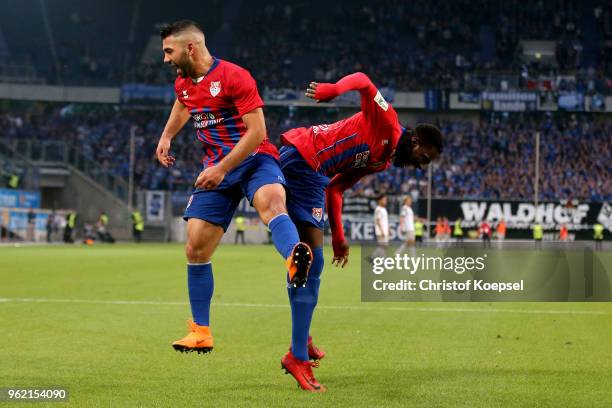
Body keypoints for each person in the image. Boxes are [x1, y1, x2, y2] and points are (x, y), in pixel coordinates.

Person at [155, 21, 312, 358]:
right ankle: (201, 332)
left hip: (254, 159)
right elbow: (184, 103)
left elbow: (257, 132)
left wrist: (223, 168)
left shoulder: (235, 77)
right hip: (217, 169)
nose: (166, 58)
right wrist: (167, 135)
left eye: (169, 51)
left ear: (191, 48)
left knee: (272, 201)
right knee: (196, 247)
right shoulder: (183, 82)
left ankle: (295, 261)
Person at [278, 71, 442, 391]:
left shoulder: (381, 161)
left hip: (312, 170)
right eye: (424, 158)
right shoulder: (387, 119)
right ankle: (297, 354)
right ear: (417, 141)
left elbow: (336, 190)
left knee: (309, 263)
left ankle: (301, 337)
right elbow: (364, 82)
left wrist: (339, 237)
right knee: (310, 262)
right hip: (305, 160)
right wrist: (334, 90)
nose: (420, 166)